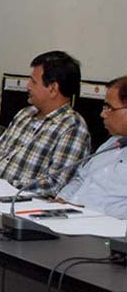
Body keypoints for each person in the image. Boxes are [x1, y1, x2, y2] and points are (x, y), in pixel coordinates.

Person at [0, 51, 90, 196]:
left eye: (33, 82)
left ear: (53, 89)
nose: (28, 86)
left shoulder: (72, 127)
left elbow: (54, 184)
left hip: (19, 201)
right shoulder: (25, 114)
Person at [56, 76, 127, 218]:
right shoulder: (111, 143)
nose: (102, 114)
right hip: (69, 217)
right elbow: (81, 179)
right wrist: (62, 199)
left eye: (109, 108)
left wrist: (91, 212)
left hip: (104, 226)